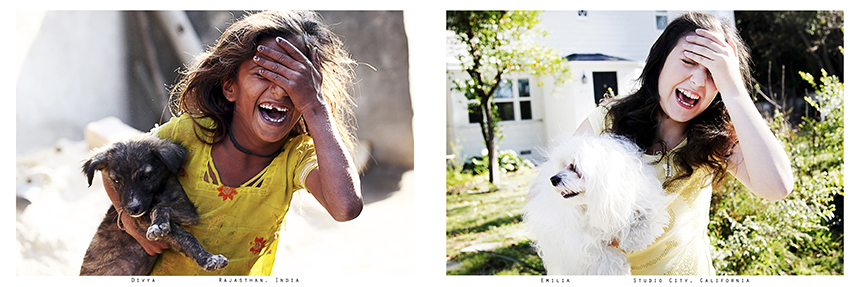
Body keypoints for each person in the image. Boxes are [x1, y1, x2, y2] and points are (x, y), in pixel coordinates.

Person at [102, 10, 363, 275]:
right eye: (264, 74)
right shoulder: (190, 133)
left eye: (297, 81)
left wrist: (315, 106)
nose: (281, 90)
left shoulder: (295, 158)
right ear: (230, 87)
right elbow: (115, 162)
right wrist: (127, 217)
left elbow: (345, 208)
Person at [572, 12, 793, 275]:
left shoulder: (718, 139)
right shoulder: (607, 120)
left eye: (714, 74)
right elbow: (544, 192)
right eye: (688, 61)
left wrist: (734, 89)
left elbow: (777, 186)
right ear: (661, 61)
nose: (698, 81)